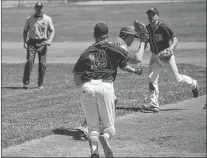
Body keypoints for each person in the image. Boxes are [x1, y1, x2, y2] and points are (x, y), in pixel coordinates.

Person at [72, 23, 145, 158]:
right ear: (107, 35)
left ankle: (94, 153)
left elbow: (76, 80)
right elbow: (137, 59)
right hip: (105, 87)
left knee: (92, 129)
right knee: (109, 128)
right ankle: (105, 137)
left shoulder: (87, 51)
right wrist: (144, 42)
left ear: (94, 36)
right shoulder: (113, 47)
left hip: (87, 88)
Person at [142, 7, 199, 113]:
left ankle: (193, 84)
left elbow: (175, 39)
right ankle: (153, 104)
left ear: (157, 16)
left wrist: (170, 49)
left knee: (177, 79)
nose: (151, 17)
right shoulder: (147, 29)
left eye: (153, 14)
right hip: (155, 57)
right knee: (151, 78)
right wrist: (142, 40)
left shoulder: (163, 27)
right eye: (149, 15)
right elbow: (145, 44)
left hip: (165, 57)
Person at [22, 2, 55, 89]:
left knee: (42, 64)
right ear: (35, 8)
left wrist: (49, 40)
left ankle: (40, 84)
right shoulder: (29, 18)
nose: (39, 9)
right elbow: (25, 31)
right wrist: (25, 42)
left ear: (43, 9)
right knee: (29, 61)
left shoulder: (48, 19)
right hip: (32, 42)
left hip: (43, 42)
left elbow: (52, 30)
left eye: (40, 8)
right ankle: (26, 83)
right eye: (37, 7)